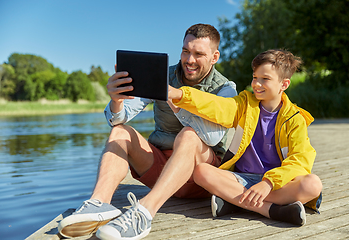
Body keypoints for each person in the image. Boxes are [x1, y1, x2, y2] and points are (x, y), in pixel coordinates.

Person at [58, 23, 237, 239]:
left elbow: (213, 137)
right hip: (160, 169)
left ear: (214, 56)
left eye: (199, 54)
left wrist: (176, 100)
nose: (189, 60)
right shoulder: (161, 76)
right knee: (120, 132)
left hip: (200, 178)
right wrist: (116, 100)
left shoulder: (225, 89)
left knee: (189, 135)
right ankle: (99, 204)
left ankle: (143, 213)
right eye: (185, 51)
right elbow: (117, 119)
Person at [168, 49, 323, 226]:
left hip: (277, 183)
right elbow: (217, 106)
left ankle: (235, 201)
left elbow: (300, 161)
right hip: (241, 178)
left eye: (265, 79)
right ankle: (270, 210)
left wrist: (268, 183)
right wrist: (179, 94)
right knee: (201, 172)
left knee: (312, 185)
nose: (256, 84)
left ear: (284, 84)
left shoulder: (294, 119)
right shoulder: (245, 103)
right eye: (255, 77)